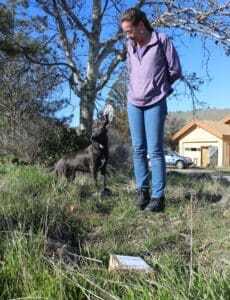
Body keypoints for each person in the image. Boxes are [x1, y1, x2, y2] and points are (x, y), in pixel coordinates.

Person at [120, 8, 182, 212]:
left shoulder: (162, 41)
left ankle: (158, 197)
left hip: (155, 101)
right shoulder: (130, 46)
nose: (127, 35)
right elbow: (130, 71)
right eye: (125, 32)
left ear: (140, 25)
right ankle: (142, 191)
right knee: (138, 149)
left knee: (155, 150)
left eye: (129, 30)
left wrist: (160, 87)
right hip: (133, 102)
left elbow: (175, 70)